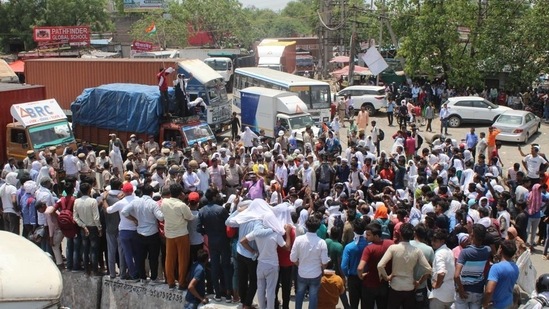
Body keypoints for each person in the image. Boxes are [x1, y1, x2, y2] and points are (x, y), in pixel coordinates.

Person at [377, 223, 432, 309]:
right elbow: (429, 269)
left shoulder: (393, 248)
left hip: (395, 286)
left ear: (400, 234)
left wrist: (387, 277)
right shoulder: (417, 251)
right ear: (412, 235)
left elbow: (380, 265)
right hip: (410, 287)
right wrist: (419, 282)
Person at [240, 223, 291, 309]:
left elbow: (242, 241)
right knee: (270, 291)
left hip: (261, 264)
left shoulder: (257, 233)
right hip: (272, 265)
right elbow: (287, 247)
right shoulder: (275, 234)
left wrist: (253, 251)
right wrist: (288, 233)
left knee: (260, 289)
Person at [121, 184, 164, 282]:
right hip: (153, 234)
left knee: (140, 257)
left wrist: (134, 219)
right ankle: (153, 278)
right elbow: (161, 217)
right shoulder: (153, 204)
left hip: (140, 233)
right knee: (153, 258)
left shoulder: (136, 202)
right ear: (152, 193)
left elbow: (124, 212)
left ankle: (142, 278)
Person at [290, 215, 330, 309]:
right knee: (313, 296)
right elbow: (325, 261)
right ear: (318, 227)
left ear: (306, 226)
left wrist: (300, 265)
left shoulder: (298, 240)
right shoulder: (321, 242)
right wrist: (321, 268)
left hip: (302, 272)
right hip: (316, 274)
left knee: (299, 294)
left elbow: (292, 258)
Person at [161, 183, 194, 290]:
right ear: (181, 193)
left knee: (169, 259)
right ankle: (181, 281)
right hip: (181, 234)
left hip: (169, 234)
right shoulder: (182, 205)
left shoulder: (164, 202)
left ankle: (170, 281)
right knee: (183, 259)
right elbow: (190, 217)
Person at [454, 224, 491, 309]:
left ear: (472, 235)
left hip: (464, 290)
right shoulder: (487, 250)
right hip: (478, 291)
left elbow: (456, 275)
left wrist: (461, 289)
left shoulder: (465, 252)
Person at [357, 222, 394, 309]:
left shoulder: (369, 249)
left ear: (376, 236)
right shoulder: (390, 244)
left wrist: (361, 276)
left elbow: (360, 268)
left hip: (369, 285)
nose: (366, 237)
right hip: (384, 284)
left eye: (368, 235)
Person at [73, 183, 103, 276]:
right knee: (93, 249)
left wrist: (83, 226)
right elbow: (96, 217)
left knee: (85, 249)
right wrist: (99, 228)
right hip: (93, 227)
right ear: (89, 190)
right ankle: (95, 270)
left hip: (83, 228)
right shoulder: (93, 201)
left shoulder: (76, 201)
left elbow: (75, 217)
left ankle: (87, 270)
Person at [482, 240, 519, 309]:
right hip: (509, 303)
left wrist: (484, 304)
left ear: (501, 250)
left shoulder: (496, 268)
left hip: (496, 305)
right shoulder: (515, 267)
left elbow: (489, 291)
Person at [429, 229, 456, 309]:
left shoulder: (439, 253)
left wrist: (437, 285)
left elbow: (441, 273)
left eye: (435, 241)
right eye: (432, 240)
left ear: (442, 241)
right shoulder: (449, 251)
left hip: (440, 294)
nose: (432, 243)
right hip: (450, 291)